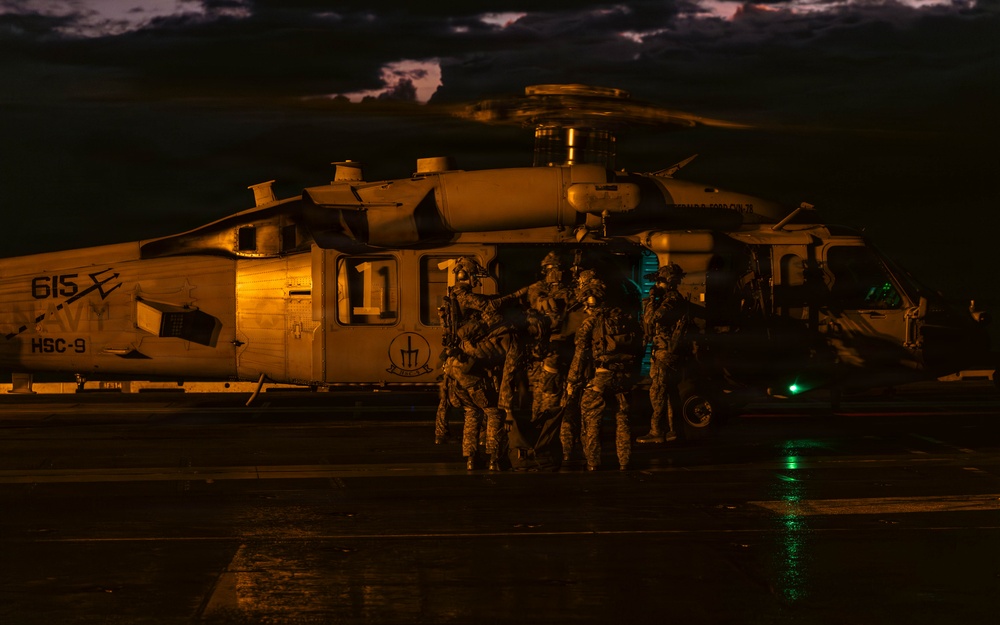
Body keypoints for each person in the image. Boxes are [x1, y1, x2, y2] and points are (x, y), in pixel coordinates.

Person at [448, 256, 526, 471]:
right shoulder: (464, 296)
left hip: (457, 370)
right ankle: (494, 459)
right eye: (474, 275)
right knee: (493, 412)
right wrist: (516, 295)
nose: (476, 280)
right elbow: (488, 306)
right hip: (470, 373)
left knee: (472, 413)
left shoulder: (457, 297)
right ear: (465, 275)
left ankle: (471, 459)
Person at [564, 279, 642, 471]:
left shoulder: (591, 323)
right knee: (623, 418)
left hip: (601, 376)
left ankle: (593, 462)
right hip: (624, 377)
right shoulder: (628, 320)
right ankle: (624, 461)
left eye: (587, 304)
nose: (585, 308)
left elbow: (580, 354)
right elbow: (639, 349)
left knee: (591, 416)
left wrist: (572, 381)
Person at [636, 263, 693, 444]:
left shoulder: (671, 300)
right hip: (667, 351)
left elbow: (651, 318)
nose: (657, 285)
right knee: (669, 392)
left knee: (658, 392)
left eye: (660, 281)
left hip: (665, 352)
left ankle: (657, 431)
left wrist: (652, 298)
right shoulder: (674, 299)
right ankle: (674, 431)